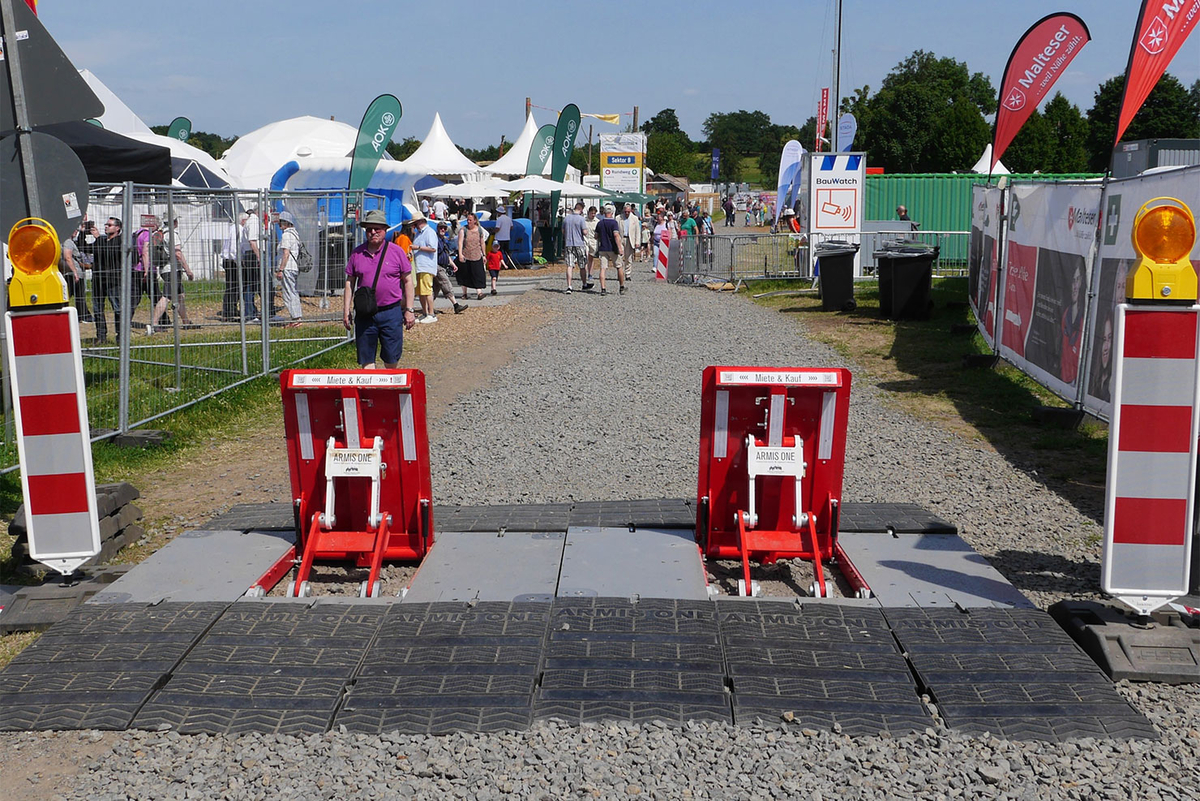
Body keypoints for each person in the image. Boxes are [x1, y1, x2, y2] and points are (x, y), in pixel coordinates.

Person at [343, 209, 415, 368]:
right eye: (369, 229)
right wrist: (346, 309)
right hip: (365, 313)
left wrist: (409, 309)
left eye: (377, 229)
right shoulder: (357, 253)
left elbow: (408, 281)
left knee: (391, 358)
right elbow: (350, 282)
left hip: (391, 312)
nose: (373, 232)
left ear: (385, 230)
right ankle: (371, 392)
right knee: (366, 359)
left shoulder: (396, 252)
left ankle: (388, 391)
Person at [78, 217, 124, 344]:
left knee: (117, 309)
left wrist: (98, 238)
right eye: (105, 225)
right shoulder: (102, 240)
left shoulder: (120, 241)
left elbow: (110, 253)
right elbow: (84, 248)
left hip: (113, 281)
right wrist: (82, 232)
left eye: (109, 225)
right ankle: (101, 335)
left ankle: (120, 336)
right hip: (98, 280)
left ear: (117, 228)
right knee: (98, 309)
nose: (106, 227)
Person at [151, 218, 196, 330]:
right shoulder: (173, 235)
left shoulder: (162, 233)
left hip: (165, 268)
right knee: (166, 297)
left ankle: (186, 322)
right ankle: (154, 324)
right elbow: (178, 254)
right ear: (175, 222)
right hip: (172, 269)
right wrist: (188, 270)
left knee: (180, 295)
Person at [409, 209, 440, 323]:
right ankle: (425, 312)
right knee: (420, 291)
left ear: (420, 221)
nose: (414, 226)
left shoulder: (429, 232)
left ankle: (431, 314)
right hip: (419, 265)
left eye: (415, 223)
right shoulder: (418, 233)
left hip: (427, 265)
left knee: (427, 290)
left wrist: (418, 248)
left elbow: (433, 248)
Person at [274, 211, 303, 328]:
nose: (279, 225)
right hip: (293, 267)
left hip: (288, 267)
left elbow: (286, 253)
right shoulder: (295, 234)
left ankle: (296, 318)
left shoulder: (286, 235)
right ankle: (297, 317)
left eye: (281, 222)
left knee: (288, 293)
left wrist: (281, 269)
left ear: (286, 223)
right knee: (293, 292)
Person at [434, 222, 468, 315]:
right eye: (441, 228)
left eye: (444, 228)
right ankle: (456, 305)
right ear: (437, 228)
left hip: (443, 265)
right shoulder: (435, 239)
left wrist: (453, 264)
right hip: (437, 266)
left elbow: (446, 254)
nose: (443, 230)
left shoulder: (443, 240)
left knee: (435, 288)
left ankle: (428, 308)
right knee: (446, 283)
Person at [455, 212, 489, 301]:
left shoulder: (480, 230)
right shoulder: (463, 230)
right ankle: (464, 293)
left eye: (470, 220)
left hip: (477, 255)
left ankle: (479, 293)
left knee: (478, 274)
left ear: (475, 221)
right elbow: (460, 242)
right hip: (466, 255)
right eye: (467, 220)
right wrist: (460, 254)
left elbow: (482, 243)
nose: (468, 221)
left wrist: (484, 255)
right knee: (464, 275)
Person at [594, 203, 625, 295]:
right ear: (612, 212)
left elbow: (596, 236)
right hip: (612, 248)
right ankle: (621, 286)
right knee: (619, 267)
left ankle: (603, 288)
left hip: (603, 248)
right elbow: (616, 235)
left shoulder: (599, 223)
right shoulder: (614, 223)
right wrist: (620, 248)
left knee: (603, 268)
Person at [60, 226, 89, 322]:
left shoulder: (64, 242)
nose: (76, 231)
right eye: (74, 229)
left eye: (77, 229)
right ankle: (82, 316)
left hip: (70, 273)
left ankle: (82, 315)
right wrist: (75, 272)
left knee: (72, 295)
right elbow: (67, 257)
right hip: (73, 273)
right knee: (78, 295)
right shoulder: (68, 242)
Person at [239, 204, 262, 322]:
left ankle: (251, 312)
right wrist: (259, 256)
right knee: (252, 285)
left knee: (251, 285)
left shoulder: (251, 221)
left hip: (249, 254)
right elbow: (252, 241)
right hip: (253, 255)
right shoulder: (254, 222)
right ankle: (250, 314)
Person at [561, 202, 591, 294]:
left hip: (568, 243)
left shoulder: (566, 218)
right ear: (581, 209)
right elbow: (585, 232)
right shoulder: (581, 219)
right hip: (579, 244)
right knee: (582, 265)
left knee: (569, 265)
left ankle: (569, 286)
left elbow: (563, 231)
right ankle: (584, 284)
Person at [619, 203, 642, 279]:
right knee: (620, 257)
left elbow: (637, 231)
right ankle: (620, 273)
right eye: (625, 211)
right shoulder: (618, 218)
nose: (626, 213)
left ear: (631, 211)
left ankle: (628, 274)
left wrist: (637, 242)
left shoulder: (634, 218)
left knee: (628, 258)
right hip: (621, 239)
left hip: (630, 239)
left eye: (628, 212)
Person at [494, 205, 516, 270]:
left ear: (499, 212)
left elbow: (497, 228)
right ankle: (509, 263)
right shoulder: (509, 219)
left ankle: (499, 265)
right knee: (507, 253)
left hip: (499, 238)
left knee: (498, 253)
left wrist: (493, 231)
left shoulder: (499, 219)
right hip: (507, 238)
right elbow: (511, 227)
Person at [583, 205, 599, 283]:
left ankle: (590, 274)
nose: (593, 215)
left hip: (593, 241)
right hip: (585, 241)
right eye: (591, 213)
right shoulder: (584, 220)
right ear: (588, 213)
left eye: (594, 213)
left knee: (591, 258)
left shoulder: (597, 221)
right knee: (585, 257)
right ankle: (585, 274)